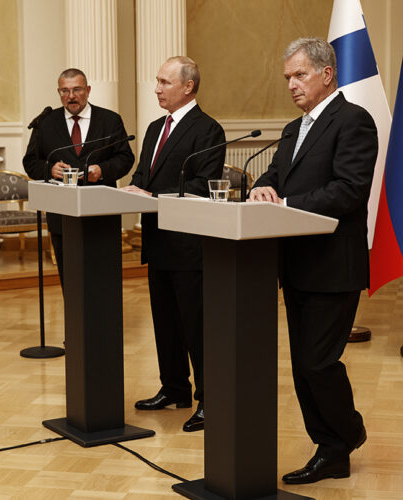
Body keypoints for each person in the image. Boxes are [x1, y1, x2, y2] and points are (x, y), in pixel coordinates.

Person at [249, 38, 377, 484]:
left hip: (333, 264)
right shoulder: (293, 128)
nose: (291, 84)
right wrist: (262, 188)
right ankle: (332, 451)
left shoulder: (354, 121)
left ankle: (345, 434)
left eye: (299, 75)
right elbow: (274, 174)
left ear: (326, 74)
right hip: (296, 264)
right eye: (287, 77)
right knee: (304, 365)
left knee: (319, 362)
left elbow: (348, 189)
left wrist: (285, 202)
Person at [121, 56, 225, 432]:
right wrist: (135, 191)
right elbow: (142, 175)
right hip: (157, 239)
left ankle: (209, 398)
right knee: (165, 322)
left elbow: (203, 184)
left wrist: (150, 192)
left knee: (196, 326)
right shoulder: (153, 128)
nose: (157, 89)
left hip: (189, 244)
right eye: (157, 81)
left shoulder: (208, 130)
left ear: (188, 87)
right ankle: (174, 388)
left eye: (165, 82)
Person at [23, 68, 135, 285]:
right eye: (65, 91)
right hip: (62, 214)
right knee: (71, 278)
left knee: (103, 277)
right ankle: (73, 318)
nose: (71, 96)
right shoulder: (45, 123)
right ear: (59, 92)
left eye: (77, 90)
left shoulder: (110, 120)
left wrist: (102, 170)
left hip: (101, 211)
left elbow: (125, 158)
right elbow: (30, 162)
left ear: (88, 90)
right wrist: (49, 170)